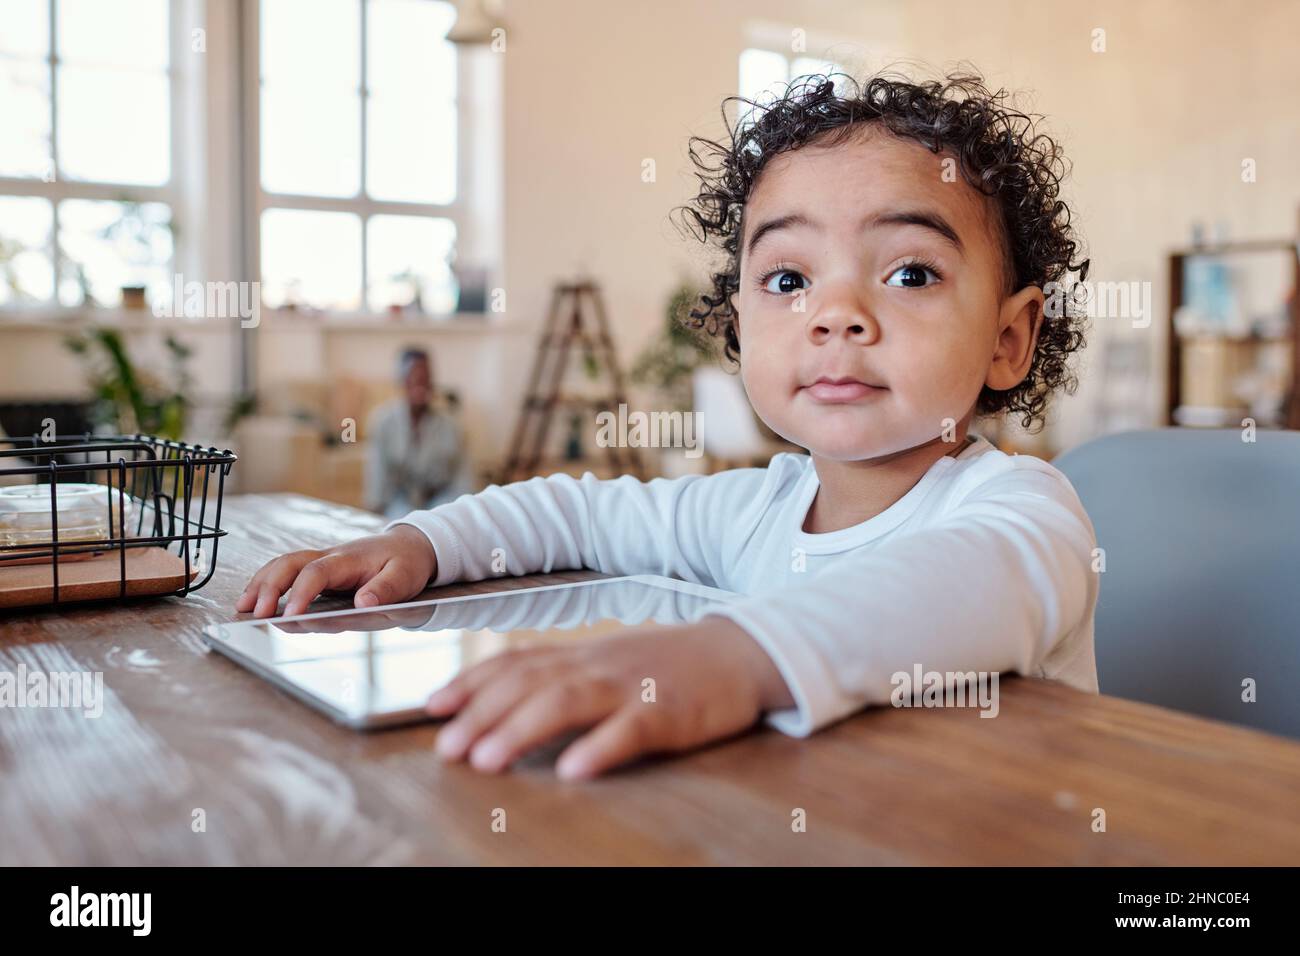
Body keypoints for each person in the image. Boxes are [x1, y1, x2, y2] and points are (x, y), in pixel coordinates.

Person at [238, 70, 1098, 781]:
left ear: (1009, 339)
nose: (837, 314)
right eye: (788, 280)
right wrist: (424, 543)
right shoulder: (752, 511)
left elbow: (953, 588)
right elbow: (579, 514)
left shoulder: (1027, 515)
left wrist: (731, 658)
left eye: (910, 273)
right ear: (738, 322)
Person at [364, 347, 472, 519]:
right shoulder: (382, 421)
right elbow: (377, 476)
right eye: (414, 376)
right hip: (400, 501)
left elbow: (463, 479)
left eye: (425, 377)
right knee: (402, 522)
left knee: (444, 519)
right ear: (402, 381)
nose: (420, 383)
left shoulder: (451, 425)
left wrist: (465, 512)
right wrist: (373, 515)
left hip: (441, 500)